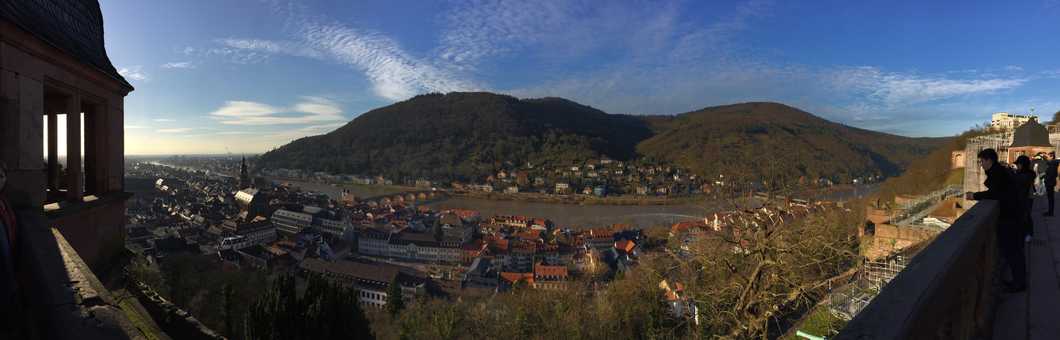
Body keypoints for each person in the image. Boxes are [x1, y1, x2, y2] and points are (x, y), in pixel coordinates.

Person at [966, 149, 1026, 292]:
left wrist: (974, 196)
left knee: (1012, 251)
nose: (981, 164)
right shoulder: (1000, 171)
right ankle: (1018, 280)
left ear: (989, 160)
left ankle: (1019, 283)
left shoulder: (997, 173)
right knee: (1014, 251)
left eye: (982, 161)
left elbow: (995, 193)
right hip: (1014, 214)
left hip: (1010, 217)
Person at [1014, 156, 1036, 241]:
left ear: (1023, 165)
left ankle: (1029, 233)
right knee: (1023, 215)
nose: (1017, 166)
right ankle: (1024, 232)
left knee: (1026, 215)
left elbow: (1022, 182)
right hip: (1023, 197)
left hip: (1028, 197)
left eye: (1019, 164)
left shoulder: (1028, 174)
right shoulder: (1020, 172)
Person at [1046, 152, 1059, 217]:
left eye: (1048, 156)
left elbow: (1051, 174)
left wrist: (1046, 179)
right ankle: (1050, 211)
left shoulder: (1052, 165)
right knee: (1050, 198)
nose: (1047, 158)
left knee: (1050, 198)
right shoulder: (1052, 164)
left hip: (1050, 183)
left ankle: (1050, 212)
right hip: (1051, 182)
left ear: (1051, 157)